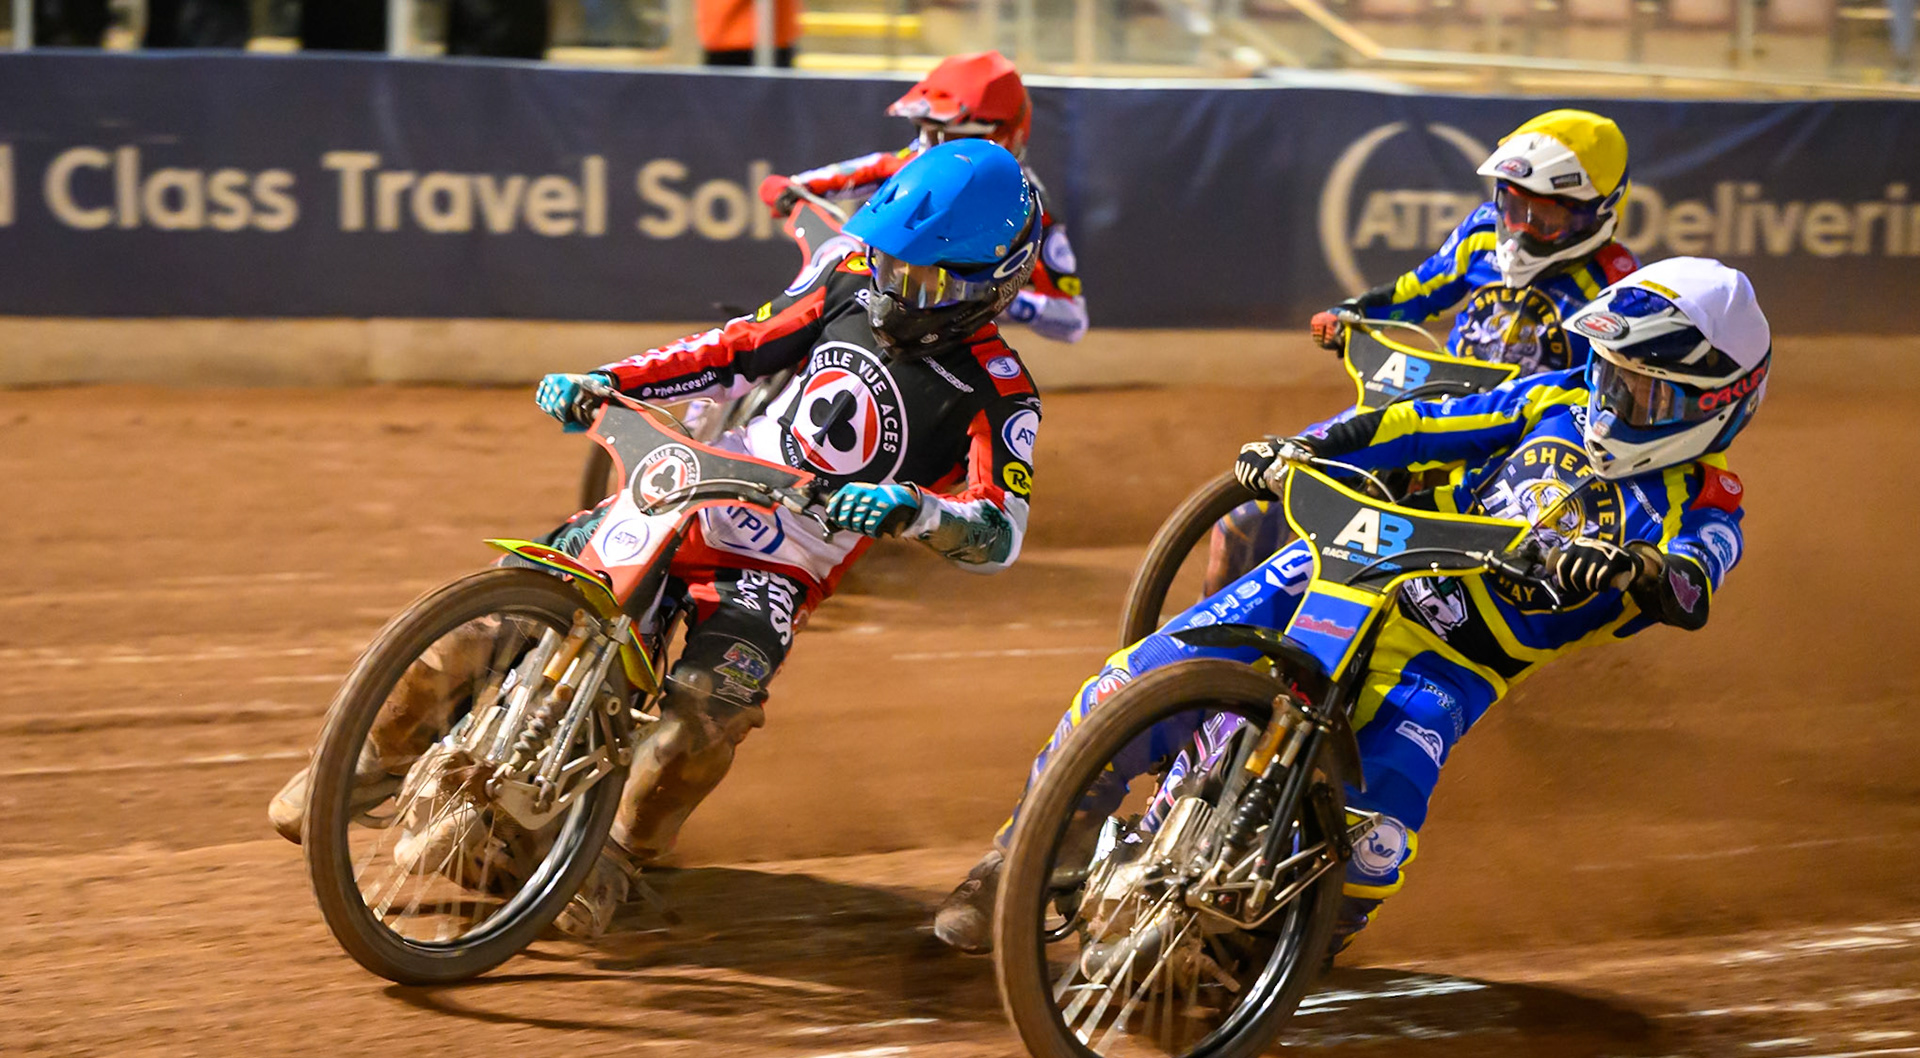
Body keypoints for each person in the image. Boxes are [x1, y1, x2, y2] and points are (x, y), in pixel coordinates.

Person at [271, 140, 1048, 939]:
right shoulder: (850, 279)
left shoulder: (1000, 394)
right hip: (696, 486)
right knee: (488, 625)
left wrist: (912, 509)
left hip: (777, 566)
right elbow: (738, 349)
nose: (893, 287)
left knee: (698, 721)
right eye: (889, 261)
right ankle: (365, 766)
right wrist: (611, 380)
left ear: (987, 286)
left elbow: (1001, 529)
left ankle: (616, 854)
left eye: (921, 278)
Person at [933, 256, 1768, 956]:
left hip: (1456, 657)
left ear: (1715, 404)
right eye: (1610, 375)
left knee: (1377, 839)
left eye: (1643, 394)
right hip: (1367, 554)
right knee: (1132, 682)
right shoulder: (1555, 400)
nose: (1611, 402)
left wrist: (1642, 571)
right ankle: (1018, 861)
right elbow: (1417, 423)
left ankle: (1272, 955)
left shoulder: (1708, 500)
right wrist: (1306, 446)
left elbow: (1696, 581)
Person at [1208, 108, 1642, 602]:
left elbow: (1611, 391)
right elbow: (1421, 288)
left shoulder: (1616, 289)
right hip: (1425, 405)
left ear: (1597, 211)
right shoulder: (1481, 233)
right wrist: (1356, 309)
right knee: (1246, 513)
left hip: (1508, 445)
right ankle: (1197, 643)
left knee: (1413, 578)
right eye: (1514, 207)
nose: (1521, 229)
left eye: (1546, 217)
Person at [756, 51, 1088, 346]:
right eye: (928, 132)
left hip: (949, 337)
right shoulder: (916, 163)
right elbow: (862, 170)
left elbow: (1072, 321)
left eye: (951, 135)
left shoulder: (1032, 214)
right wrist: (792, 186)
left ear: (1005, 135)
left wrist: (996, 290)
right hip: (885, 304)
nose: (933, 146)